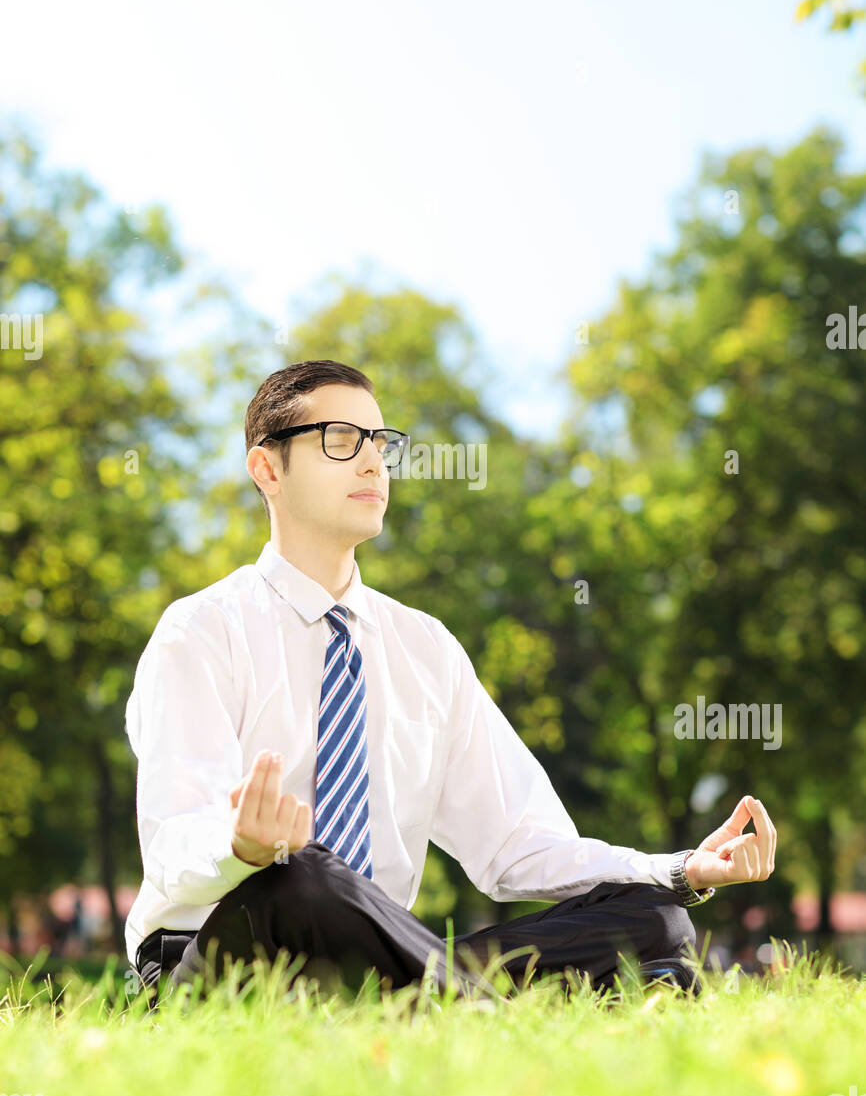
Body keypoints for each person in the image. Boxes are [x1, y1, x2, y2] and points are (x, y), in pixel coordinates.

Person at [125, 359, 777, 1005]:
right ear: (268, 469)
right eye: (340, 439)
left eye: (380, 442)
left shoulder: (425, 646)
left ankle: (436, 1004)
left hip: (382, 959)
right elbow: (172, 844)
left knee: (654, 917)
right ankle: (484, 1009)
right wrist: (239, 847)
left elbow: (519, 843)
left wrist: (680, 870)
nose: (372, 462)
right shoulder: (201, 632)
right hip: (220, 952)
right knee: (297, 876)